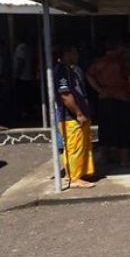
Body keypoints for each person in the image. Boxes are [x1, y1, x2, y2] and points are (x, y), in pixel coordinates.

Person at [87, 38, 130, 167]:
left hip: (104, 97)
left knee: (105, 129)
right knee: (123, 129)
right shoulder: (123, 62)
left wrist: (99, 89)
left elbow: (88, 74)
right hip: (122, 97)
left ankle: (104, 157)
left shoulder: (99, 62)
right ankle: (124, 160)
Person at [54, 44, 95, 189]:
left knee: (82, 146)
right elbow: (65, 95)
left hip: (78, 114)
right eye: (74, 53)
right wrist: (78, 113)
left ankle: (79, 173)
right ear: (67, 54)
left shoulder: (70, 70)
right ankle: (74, 178)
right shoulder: (61, 72)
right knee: (74, 148)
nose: (77, 57)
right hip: (70, 117)